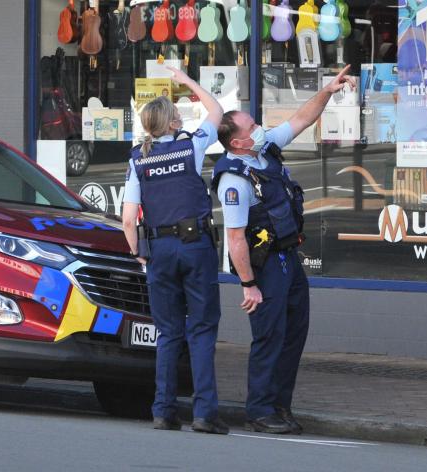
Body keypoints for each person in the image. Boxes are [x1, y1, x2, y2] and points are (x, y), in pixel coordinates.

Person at [212, 65, 356, 434]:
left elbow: (301, 119)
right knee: (269, 336)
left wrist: (328, 90)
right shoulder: (234, 180)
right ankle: (259, 409)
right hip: (264, 266)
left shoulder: (266, 150)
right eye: (251, 127)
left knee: (294, 334)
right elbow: (235, 237)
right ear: (238, 142)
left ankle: (280, 405)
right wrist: (248, 284)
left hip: (289, 257)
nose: (259, 128)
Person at [121, 66, 227, 435]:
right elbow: (216, 111)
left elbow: (129, 220)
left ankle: (164, 411)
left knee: (168, 333)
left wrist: (140, 254)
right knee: (201, 330)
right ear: (169, 124)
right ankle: (204, 414)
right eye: (177, 115)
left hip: (159, 251)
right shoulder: (191, 146)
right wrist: (190, 83)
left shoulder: (138, 160)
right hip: (194, 246)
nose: (182, 118)